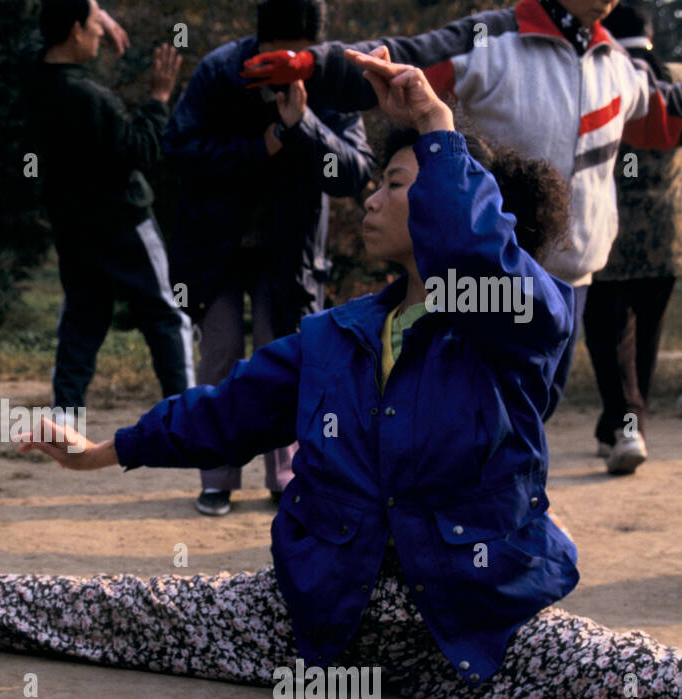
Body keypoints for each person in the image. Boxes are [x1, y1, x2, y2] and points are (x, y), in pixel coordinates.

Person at [0, 51, 681, 699]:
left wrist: (436, 125)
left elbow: (478, 252)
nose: (368, 198)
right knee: (114, 611)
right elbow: (226, 412)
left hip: (471, 627)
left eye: (396, 185)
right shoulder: (336, 335)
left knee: (650, 689)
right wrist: (100, 450)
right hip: (322, 622)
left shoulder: (519, 320)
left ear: (453, 204)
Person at [239, 0, 682, 437]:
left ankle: (513, 509)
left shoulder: (618, 64)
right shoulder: (494, 38)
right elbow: (400, 61)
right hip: (484, 269)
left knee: (528, 418)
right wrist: (316, 65)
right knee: (468, 417)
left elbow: (668, 119)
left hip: (572, 277)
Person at [162, 0, 375, 515]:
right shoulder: (219, 72)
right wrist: (261, 147)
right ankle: (216, 477)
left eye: (298, 59)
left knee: (285, 358)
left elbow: (354, 173)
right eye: (274, 56)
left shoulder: (330, 78)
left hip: (292, 250)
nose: (284, 68)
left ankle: (286, 477)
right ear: (256, 42)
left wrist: (302, 126)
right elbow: (177, 150)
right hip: (217, 249)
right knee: (221, 354)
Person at [27, 0, 196, 416]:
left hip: (73, 228)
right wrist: (158, 98)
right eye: (93, 24)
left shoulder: (35, 79)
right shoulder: (90, 98)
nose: (101, 32)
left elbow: (46, 33)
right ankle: (187, 420)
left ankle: (65, 425)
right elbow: (140, 150)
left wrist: (93, 12)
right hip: (124, 223)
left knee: (81, 325)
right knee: (167, 319)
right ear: (74, 31)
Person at [585, 1, 678, 473]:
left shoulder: (604, 82)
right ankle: (616, 426)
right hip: (665, 244)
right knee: (643, 344)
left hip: (608, 243)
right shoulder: (673, 83)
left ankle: (627, 428)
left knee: (611, 339)